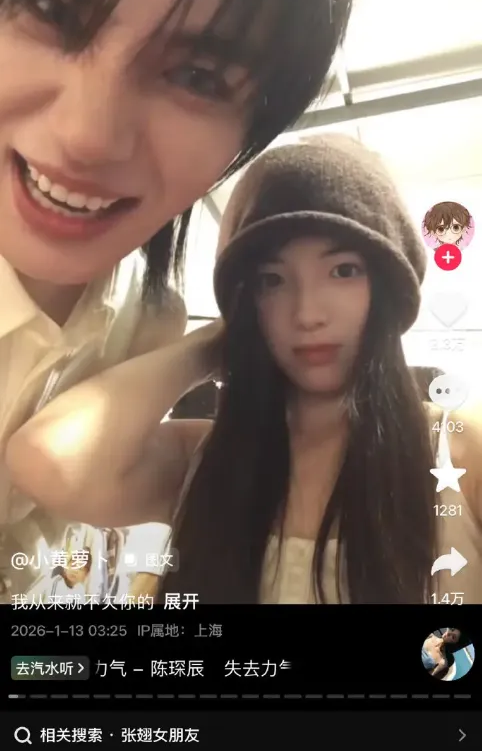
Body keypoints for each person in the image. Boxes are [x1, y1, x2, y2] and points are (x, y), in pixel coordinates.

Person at [0, 0, 357, 601]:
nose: (87, 136)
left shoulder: (147, 314)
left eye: (198, 76)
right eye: (52, 10)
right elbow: (54, 462)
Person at [9, 135, 482, 604]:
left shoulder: (460, 452)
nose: (307, 313)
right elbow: (45, 459)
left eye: (343, 271)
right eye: (271, 281)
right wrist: (216, 342)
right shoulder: (209, 461)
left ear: (388, 287)